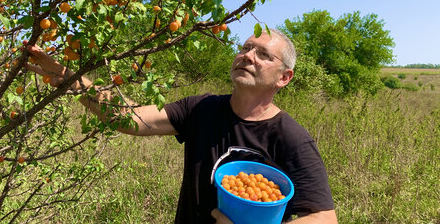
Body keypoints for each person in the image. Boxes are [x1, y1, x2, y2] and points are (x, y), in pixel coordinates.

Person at [25, 29, 338, 223]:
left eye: (263, 54)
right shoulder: (201, 109)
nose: (247, 56)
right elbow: (130, 118)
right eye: (245, 48)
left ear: (284, 77)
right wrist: (71, 79)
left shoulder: (291, 138)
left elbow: (324, 217)